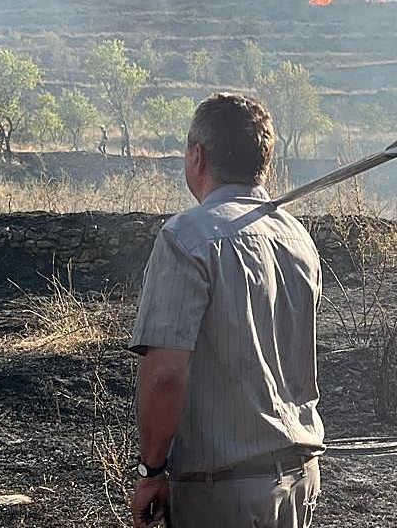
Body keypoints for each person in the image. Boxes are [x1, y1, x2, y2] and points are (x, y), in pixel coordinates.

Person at [128, 93, 323, 528]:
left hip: (223, 496)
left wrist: (151, 471)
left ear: (197, 156)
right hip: (299, 481)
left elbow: (163, 374)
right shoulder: (298, 240)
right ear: (264, 163)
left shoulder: (186, 238)